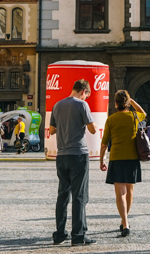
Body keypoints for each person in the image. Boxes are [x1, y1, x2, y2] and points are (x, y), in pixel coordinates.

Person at [49, 80, 97, 246]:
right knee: (79, 196)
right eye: (87, 95)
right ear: (83, 91)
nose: (87, 98)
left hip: (61, 155)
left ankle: (60, 233)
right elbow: (93, 129)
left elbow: (52, 130)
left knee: (63, 195)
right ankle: (78, 235)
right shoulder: (82, 105)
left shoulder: (57, 105)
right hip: (78, 154)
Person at [99, 90, 147, 237]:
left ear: (115, 104)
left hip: (117, 158)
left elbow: (104, 143)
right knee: (130, 191)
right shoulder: (133, 116)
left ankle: (125, 222)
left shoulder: (111, 119)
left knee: (120, 193)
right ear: (126, 103)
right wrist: (132, 101)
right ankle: (124, 220)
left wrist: (102, 160)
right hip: (132, 158)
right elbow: (143, 113)